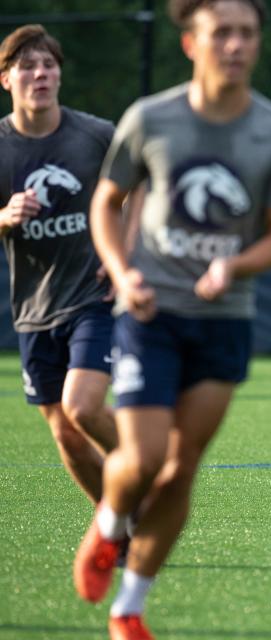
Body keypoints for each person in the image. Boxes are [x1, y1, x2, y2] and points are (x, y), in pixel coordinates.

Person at [72, 0, 271, 637]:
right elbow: (107, 202)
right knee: (143, 458)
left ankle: (129, 608)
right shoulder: (151, 118)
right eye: (222, 32)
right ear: (191, 42)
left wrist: (233, 268)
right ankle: (109, 526)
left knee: (182, 468)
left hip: (224, 318)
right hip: (150, 313)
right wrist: (123, 275)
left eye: (248, 33)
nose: (236, 44)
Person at [0, 25, 118, 505]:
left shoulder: (96, 135)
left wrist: (124, 253)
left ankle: (149, 473)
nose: (40, 74)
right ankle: (118, 526)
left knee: (82, 408)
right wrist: (3, 217)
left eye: (48, 64)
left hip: (93, 297)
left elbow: (144, 190)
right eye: (27, 65)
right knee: (66, 436)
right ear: (6, 79)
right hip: (33, 308)